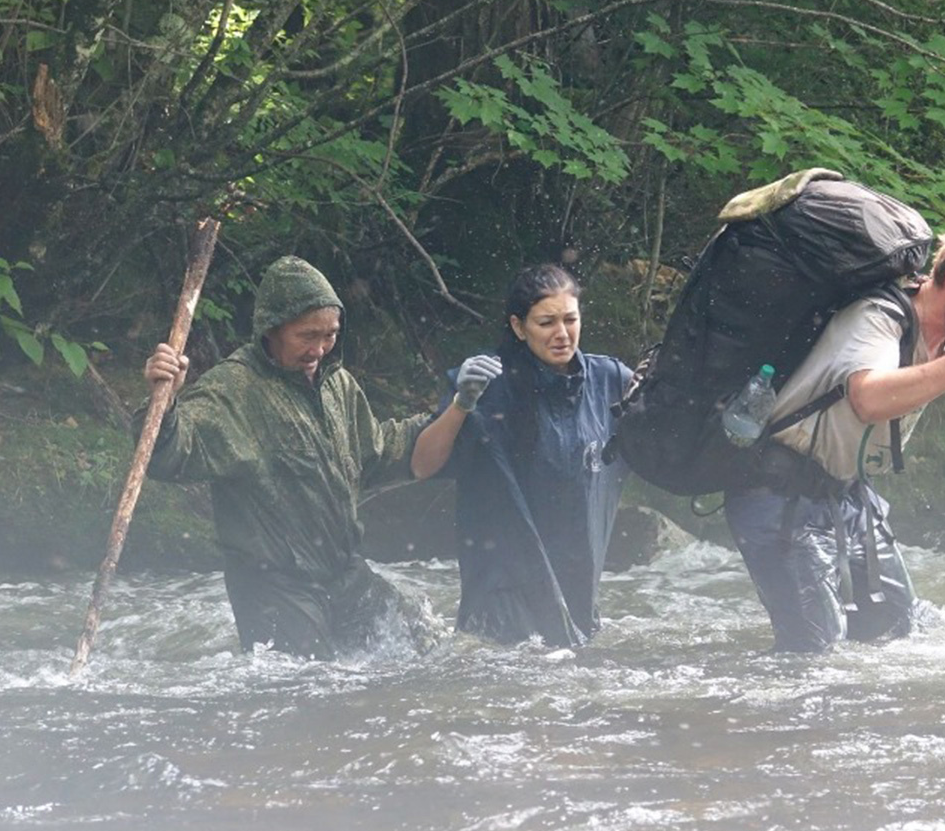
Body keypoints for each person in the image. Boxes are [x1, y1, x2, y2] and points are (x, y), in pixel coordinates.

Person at [723, 222, 945, 653]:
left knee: (901, 631)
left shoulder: (944, 342)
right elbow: (868, 399)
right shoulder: (879, 316)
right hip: (779, 496)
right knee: (814, 657)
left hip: (848, 499)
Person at [140, 255, 435, 660]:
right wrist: (165, 400)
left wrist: (451, 417)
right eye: (306, 335)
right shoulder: (233, 391)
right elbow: (167, 455)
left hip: (343, 574)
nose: (319, 349)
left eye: (330, 334)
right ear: (272, 330)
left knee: (423, 645)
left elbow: (377, 453)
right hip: (274, 587)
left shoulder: (339, 386)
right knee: (306, 692)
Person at [408, 264, 633, 647]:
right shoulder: (486, 384)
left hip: (576, 585)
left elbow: (664, 439)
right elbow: (422, 465)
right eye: (546, 323)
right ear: (518, 326)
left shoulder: (610, 380)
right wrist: (462, 403)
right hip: (502, 586)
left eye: (570, 320)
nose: (562, 334)